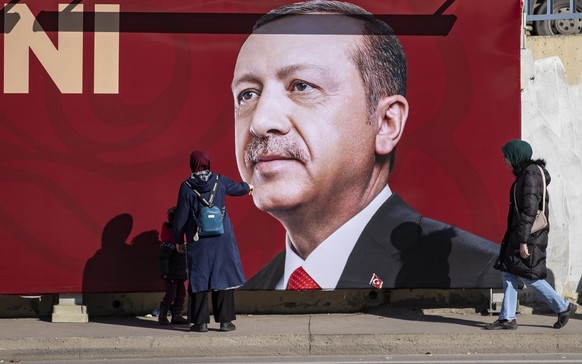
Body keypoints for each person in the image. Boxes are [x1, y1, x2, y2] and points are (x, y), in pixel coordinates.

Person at [232, 0, 500, 290]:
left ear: (386, 123)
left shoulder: (480, 278)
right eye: (247, 94)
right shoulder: (245, 298)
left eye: (302, 86)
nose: (260, 122)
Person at [485, 140, 577, 330]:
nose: (504, 160)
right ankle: (507, 318)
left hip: (530, 236)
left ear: (515, 156)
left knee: (530, 276)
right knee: (509, 271)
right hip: (522, 234)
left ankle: (563, 306)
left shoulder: (531, 175)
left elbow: (529, 211)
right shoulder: (527, 175)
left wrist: (523, 240)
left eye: (506, 156)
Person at [173, 150, 252, 332]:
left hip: (198, 240)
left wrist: (179, 239)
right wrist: (248, 187)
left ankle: (200, 323)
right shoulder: (219, 180)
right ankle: (225, 322)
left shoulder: (186, 187)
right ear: (208, 163)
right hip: (221, 239)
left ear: (192, 164)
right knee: (222, 276)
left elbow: (180, 218)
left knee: (199, 277)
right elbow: (238, 189)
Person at [157, 206, 188, 325]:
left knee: (181, 295)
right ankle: (163, 315)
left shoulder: (183, 238)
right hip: (170, 274)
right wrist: (164, 272)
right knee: (171, 295)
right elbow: (163, 258)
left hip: (181, 273)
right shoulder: (169, 241)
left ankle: (177, 315)